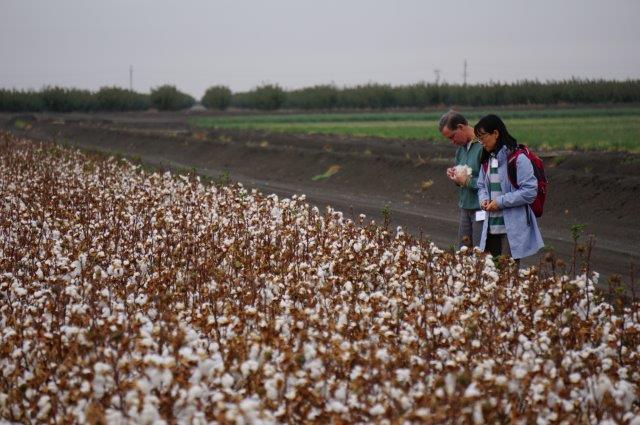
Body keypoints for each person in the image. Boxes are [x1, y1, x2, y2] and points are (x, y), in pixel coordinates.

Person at [475, 114, 544, 261]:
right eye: (478, 139)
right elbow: (481, 186)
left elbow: (530, 191)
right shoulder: (487, 159)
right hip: (491, 227)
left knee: (507, 271)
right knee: (491, 271)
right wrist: (483, 199)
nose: (481, 142)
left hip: (511, 229)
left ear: (495, 133)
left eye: (482, 137)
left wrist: (500, 202)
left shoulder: (518, 159)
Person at [438, 110, 484, 249]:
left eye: (452, 136)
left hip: (481, 209)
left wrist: (467, 181)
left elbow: (490, 183)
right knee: (463, 252)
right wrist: (455, 176)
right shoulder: (461, 150)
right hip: (465, 207)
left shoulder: (483, 146)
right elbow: (461, 181)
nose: (452, 142)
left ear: (460, 127)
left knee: (479, 253)